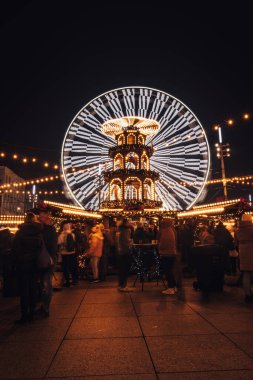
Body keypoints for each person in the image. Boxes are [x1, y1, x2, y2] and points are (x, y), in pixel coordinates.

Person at [12, 213, 42, 324]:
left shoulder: (20, 233)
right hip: (35, 263)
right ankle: (32, 314)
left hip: (23, 264)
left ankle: (24, 314)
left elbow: (15, 249)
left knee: (24, 290)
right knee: (33, 288)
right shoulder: (39, 232)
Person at [37, 210, 58, 317]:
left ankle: (45, 308)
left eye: (41, 217)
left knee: (45, 284)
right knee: (44, 284)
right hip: (48, 259)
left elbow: (52, 247)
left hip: (47, 260)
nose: (39, 219)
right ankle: (44, 306)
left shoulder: (47, 231)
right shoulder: (49, 230)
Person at [235, 213, 253, 302]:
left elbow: (235, 243)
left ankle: (247, 294)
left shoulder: (237, 230)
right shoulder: (251, 229)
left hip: (243, 253)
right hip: (251, 252)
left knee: (246, 274)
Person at [158, 219, 177, 295]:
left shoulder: (165, 231)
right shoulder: (171, 230)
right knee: (170, 271)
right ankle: (174, 286)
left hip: (166, 254)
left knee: (167, 271)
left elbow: (163, 244)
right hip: (171, 253)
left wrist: (159, 247)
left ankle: (171, 288)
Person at [116, 218, 134, 292]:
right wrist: (131, 242)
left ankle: (121, 285)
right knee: (125, 269)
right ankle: (123, 285)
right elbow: (127, 242)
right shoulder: (126, 231)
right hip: (125, 252)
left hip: (121, 252)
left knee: (121, 269)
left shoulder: (120, 230)